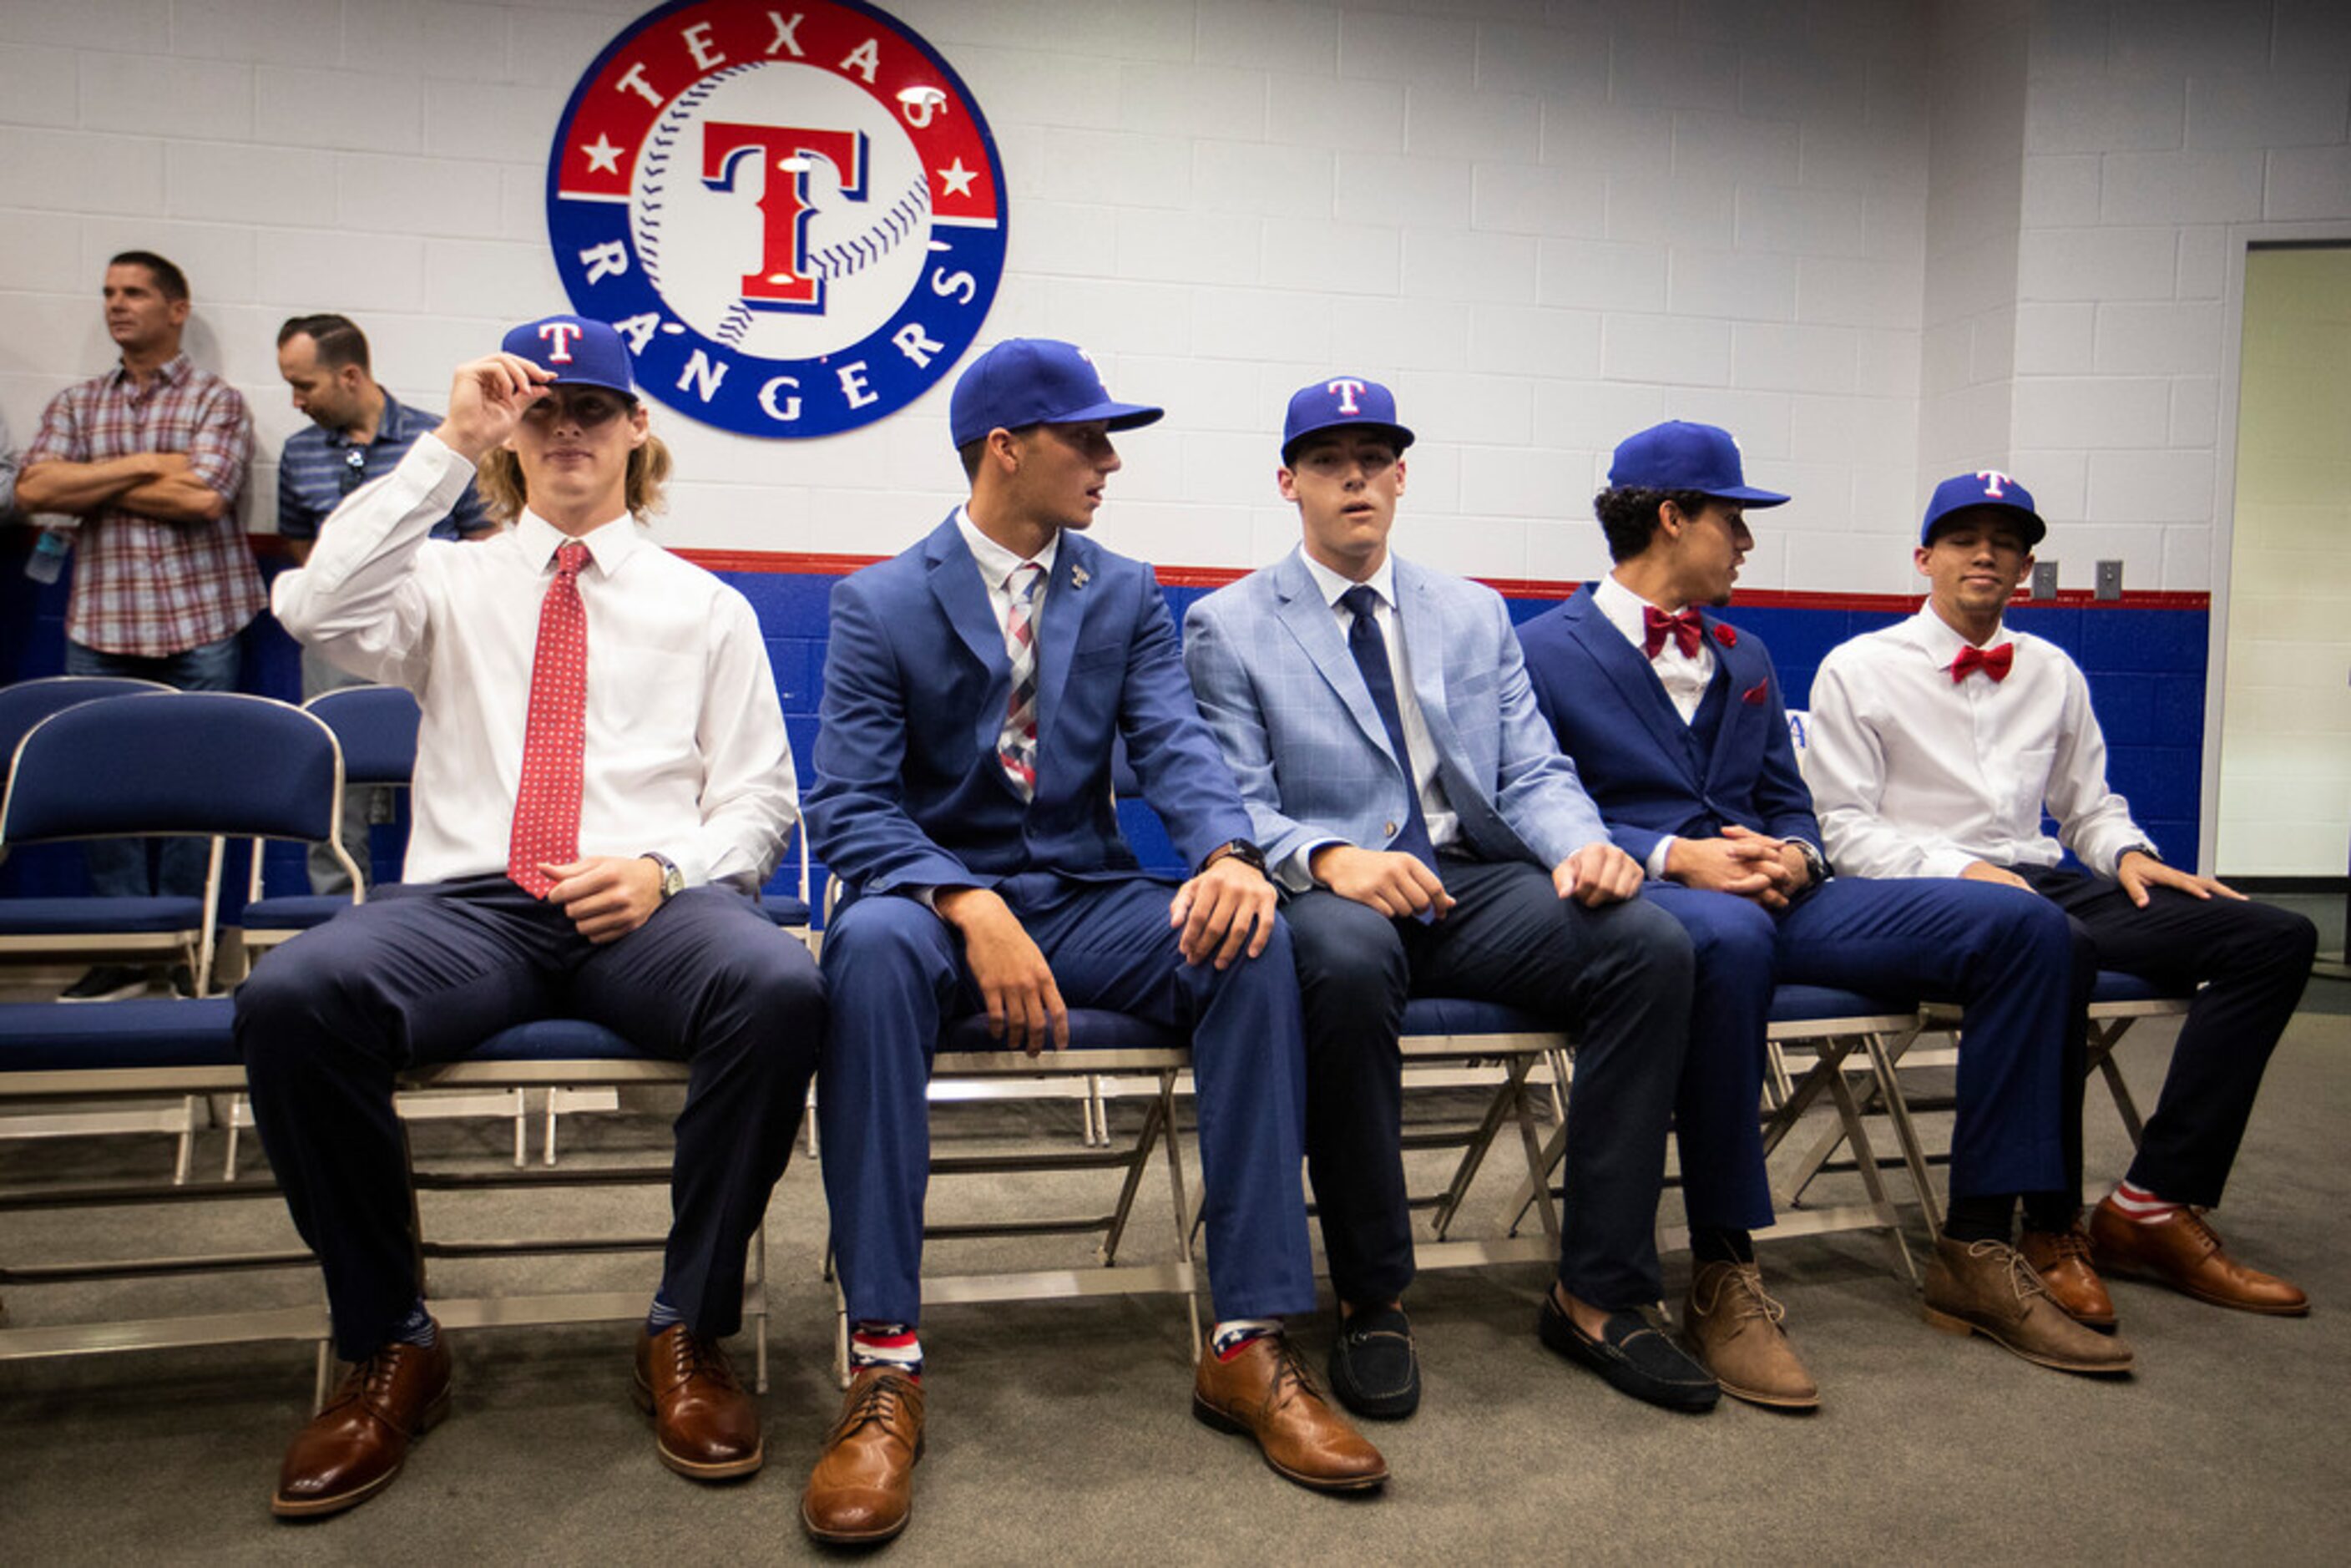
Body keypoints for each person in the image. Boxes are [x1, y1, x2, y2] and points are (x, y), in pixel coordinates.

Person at [235, 315, 824, 1519]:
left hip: (645, 907)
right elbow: (311, 606)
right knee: (292, 998)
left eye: (590, 409)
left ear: (634, 429)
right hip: (474, 906)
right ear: (510, 430)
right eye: (540, 409)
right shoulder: (444, 579)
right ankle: (391, 1337)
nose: (566, 430)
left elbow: (762, 797)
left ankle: (689, 1328)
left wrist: (666, 865)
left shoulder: (704, 605)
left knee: (779, 989)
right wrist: (447, 442)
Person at [804, 338, 1384, 1545]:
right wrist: (968, 901)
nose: (1110, 461)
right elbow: (850, 805)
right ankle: (885, 1362)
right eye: (1088, 438)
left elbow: (1176, 746)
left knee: (1250, 939)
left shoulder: (1121, 591)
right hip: (931, 908)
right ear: (1006, 448)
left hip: (1084, 892)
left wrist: (1229, 854)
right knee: (859, 955)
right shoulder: (877, 601)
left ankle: (1247, 1339)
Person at [1515, 422, 2131, 1382]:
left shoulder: (1746, 653)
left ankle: (1974, 1244)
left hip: (1786, 901)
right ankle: (1723, 1265)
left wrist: (1796, 857)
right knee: (1722, 940)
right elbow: (1528, 802)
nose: (1747, 544)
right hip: (1651, 900)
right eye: (1733, 521)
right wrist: (1675, 857)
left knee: (2028, 927)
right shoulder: (1537, 652)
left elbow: (1790, 804)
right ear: (1672, 519)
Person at [1184, 377, 1713, 1417]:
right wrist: (1329, 858)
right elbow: (1233, 800)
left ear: (1401, 478)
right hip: (1327, 889)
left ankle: (1596, 1292)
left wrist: (1584, 850)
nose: (1355, 479)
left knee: (1648, 947)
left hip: (1467, 881)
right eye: (1331, 462)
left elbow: (1532, 769)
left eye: (1374, 460)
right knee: (1342, 961)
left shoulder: (1470, 612)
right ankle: (1372, 1295)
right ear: (1288, 483)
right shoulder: (1227, 623)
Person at [1807, 470, 2315, 1318]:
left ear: (2023, 567)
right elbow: (1843, 833)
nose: (1985, 554)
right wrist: (1957, 871)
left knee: (2272, 936)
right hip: (1928, 893)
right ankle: (2046, 1223)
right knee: (2048, 942)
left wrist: (2126, 853)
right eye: (1965, 540)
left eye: (2004, 543)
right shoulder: (1857, 668)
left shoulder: (2050, 669)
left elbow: (2086, 804)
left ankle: (2151, 1203)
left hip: (2045, 882)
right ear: (1923, 558)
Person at [16, 250, 258, 1001]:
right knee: (103, 793)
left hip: (201, 623)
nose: (117, 306)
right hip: (103, 624)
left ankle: (187, 949)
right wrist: (151, 463)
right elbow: (34, 489)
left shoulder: (219, 400)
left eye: (135, 294)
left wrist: (93, 482)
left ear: (176, 309)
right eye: (109, 294)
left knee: (197, 793)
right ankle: (127, 948)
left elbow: (203, 500)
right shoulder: (77, 401)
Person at [276, 312, 494, 893]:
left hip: (432, 634)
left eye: (305, 385)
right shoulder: (299, 453)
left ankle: (440, 909)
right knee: (334, 779)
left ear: (349, 376)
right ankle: (336, 914)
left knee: (443, 764)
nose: (295, 400)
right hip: (338, 636)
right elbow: (305, 549)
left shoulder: (440, 442)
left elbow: (485, 539)